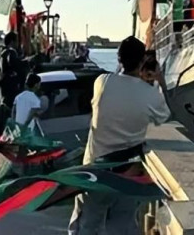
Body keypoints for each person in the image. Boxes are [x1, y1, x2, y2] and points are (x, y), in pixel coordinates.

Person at [68, 36, 170, 235]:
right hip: (128, 173)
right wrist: (159, 81)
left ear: (118, 58)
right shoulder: (151, 95)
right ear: (142, 62)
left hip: (96, 171)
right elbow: (165, 117)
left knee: (86, 226)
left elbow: (118, 86)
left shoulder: (102, 82)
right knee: (122, 227)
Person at [0, 32, 24, 124]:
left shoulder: (1, 52)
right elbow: (12, 62)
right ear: (12, 41)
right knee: (11, 106)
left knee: (4, 104)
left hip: (2, 79)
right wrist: (23, 63)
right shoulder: (11, 52)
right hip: (10, 81)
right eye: (16, 41)